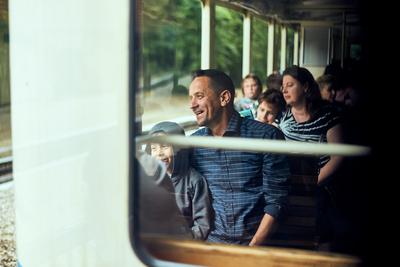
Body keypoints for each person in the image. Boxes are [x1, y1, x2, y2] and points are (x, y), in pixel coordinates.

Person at [188, 69, 290, 246]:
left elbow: (277, 202)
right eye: (191, 97)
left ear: (224, 98)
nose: (192, 104)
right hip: (211, 245)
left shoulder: (266, 137)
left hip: (256, 245)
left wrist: (251, 250)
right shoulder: (194, 144)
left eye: (199, 96)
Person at [147, 121, 212, 240]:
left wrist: (183, 240)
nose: (159, 154)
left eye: (165, 146)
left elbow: (202, 225)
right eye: (153, 148)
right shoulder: (150, 180)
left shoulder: (195, 181)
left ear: (178, 148)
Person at [136, 150, 192, 238]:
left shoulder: (193, 180)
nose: (159, 152)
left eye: (164, 146)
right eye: (154, 148)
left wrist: (189, 239)